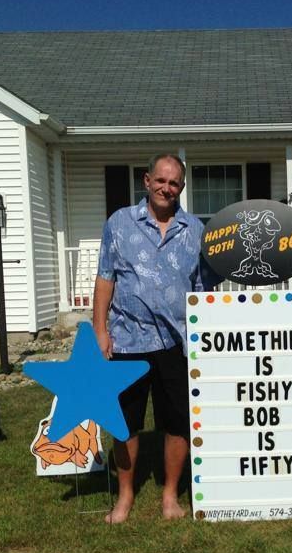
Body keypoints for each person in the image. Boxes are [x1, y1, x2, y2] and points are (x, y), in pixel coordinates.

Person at [93, 154, 217, 523]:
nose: (166, 188)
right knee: (124, 423)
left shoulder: (196, 231)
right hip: (128, 339)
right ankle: (125, 496)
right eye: (160, 180)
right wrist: (100, 330)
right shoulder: (119, 223)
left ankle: (169, 495)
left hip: (177, 342)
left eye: (174, 183)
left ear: (182, 187)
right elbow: (105, 278)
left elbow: (204, 289)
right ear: (147, 181)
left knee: (178, 422)